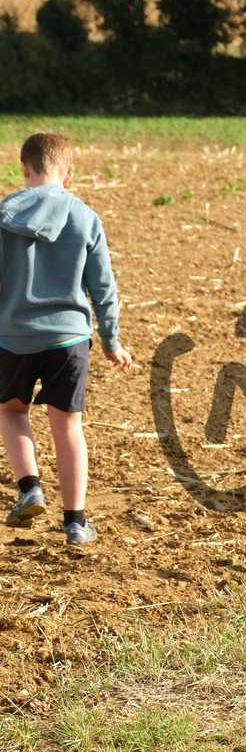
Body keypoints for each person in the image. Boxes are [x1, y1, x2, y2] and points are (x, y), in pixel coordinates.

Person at [0, 132, 132, 545]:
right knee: (68, 425)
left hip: (13, 337)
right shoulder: (85, 217)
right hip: (69, 339)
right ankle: (76, 523)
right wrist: (111, 341)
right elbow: (104, 289)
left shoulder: (4, 214)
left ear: (25, 169)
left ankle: (30, 488)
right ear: (68, 175)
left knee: (12, 412)